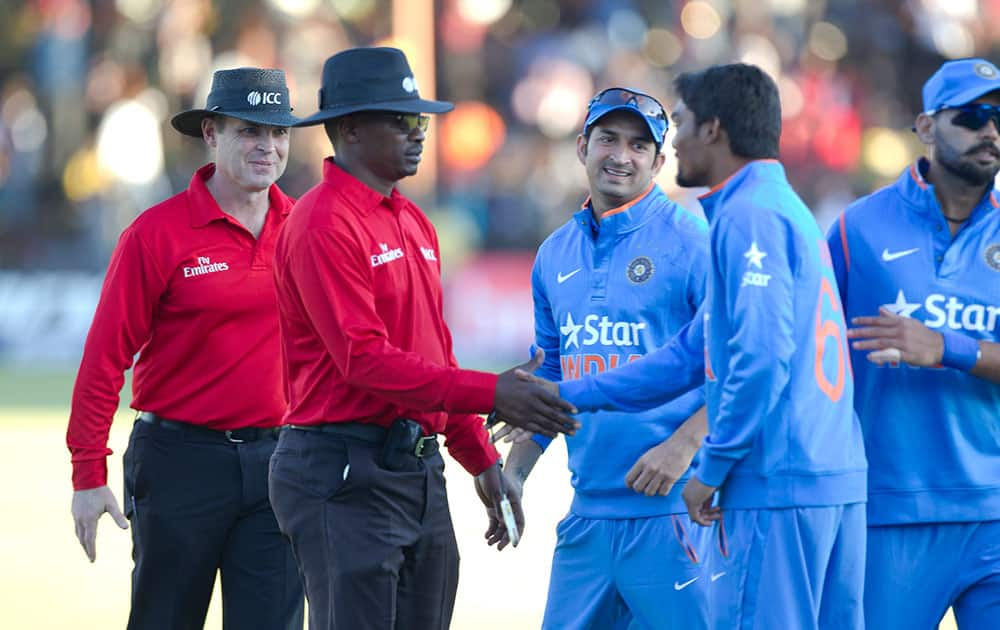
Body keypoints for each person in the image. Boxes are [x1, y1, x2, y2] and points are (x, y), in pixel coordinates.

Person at [520, 63, 868, 629]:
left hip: (777, 483)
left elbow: (758, 361)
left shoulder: (745, 218)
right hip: (826, 479)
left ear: (712, 129)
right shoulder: (776, 206)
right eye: (610, 138)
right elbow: (691, 354)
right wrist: (562, 396)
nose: (672, 140)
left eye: (675, 125)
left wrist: (711, 460)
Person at [268, 46, 579, 630]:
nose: (419, 133)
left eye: (421, 120)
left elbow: (431, 358)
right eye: (402, 119)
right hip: (341, 468)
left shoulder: (412, 220)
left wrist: (481, 459)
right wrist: (492, 394)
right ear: (351, 129)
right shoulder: (320, 221)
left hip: (413, 467)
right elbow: (364, 360)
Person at [66, 68, 304, 630]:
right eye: (250, 131)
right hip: (179, 465)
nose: (267, 147)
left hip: (283, 464)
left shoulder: (307, 230)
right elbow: (104, 359)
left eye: (279, 133)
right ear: (212, 135)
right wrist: (86, 474)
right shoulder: (156, 234)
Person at [501, 87, 713, 629]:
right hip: (587, 515)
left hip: (672, 514)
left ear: (660, 161)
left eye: (640, 146)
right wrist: (518, 471)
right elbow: (552, 374)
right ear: (582, 147)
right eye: (609, 139)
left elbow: (742, 368)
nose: (621, 155)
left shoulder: (693, 241)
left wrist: (683, 445)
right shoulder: (554, 254)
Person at [829, 58, 1000, 629]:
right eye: (973, 116)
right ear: (926, 127)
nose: (991, 132)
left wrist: (946, 347)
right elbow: (805, 353)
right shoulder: (858, 229)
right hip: (889, 511)